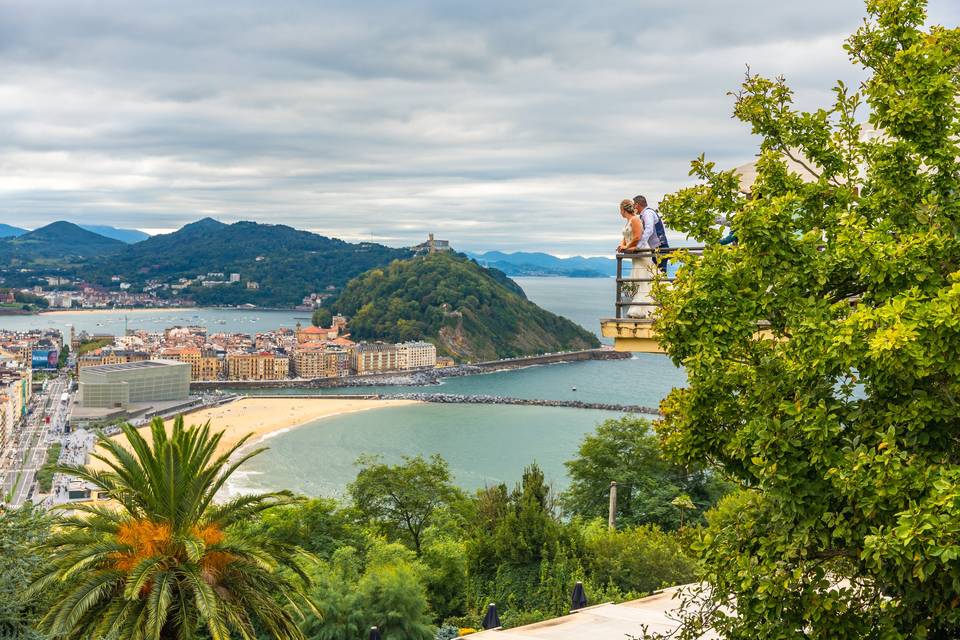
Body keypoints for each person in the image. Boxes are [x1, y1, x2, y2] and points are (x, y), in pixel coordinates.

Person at [617, 199, 655, 318]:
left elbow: (638, 236)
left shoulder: (635, 219)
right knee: (638, 279)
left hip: (641, 252)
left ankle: (644, 309)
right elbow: (626, 236)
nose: (620, 212)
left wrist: (627, 247)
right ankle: (641, 307)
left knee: (643, 278)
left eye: (620, 210)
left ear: (623, 210)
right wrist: (621, 246)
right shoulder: (628, 222)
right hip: (634, 254)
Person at [633, 195, 670, 272]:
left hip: (660, 248)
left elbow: (649, 229)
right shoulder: (644, 214)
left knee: (660, 273)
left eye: (634, 204)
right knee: (656, 274)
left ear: (637, 204)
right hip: (655, 248)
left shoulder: (647, 213)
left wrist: (639, 245)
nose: (633, 207)